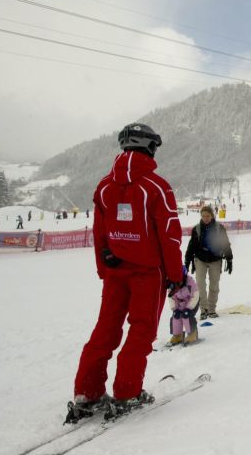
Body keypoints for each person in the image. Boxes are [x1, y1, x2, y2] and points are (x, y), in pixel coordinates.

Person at [66, 123, 183, 423]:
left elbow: (100, 231)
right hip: (148, 272)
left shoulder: (105, 185)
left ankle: (87, 391)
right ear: (149, 147)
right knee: (141, 331)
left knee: (105, 329)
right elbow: (169, 235)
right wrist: (175, 275)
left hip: (116, 271)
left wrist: (104, 267)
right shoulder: (157, 186)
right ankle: (127, 391)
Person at [184, 206, 233, 320]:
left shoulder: (219, 228)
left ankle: (211, 309)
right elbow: (191, 246)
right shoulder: (196, 229)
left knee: (214, 286)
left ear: (212, 216)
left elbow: (225, 244)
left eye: (208, 216)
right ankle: (203, 310)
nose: (205, 218)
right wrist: (187, 261)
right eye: (203, 216)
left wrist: (229, 259)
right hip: (200, 259)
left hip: (215, 260)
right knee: (200, 285)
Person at [167, 270, 199, 346]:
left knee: (186, 315)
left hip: (192, 302)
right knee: (176, 315)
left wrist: (189, 308)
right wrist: (175, 308)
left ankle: (192, 333)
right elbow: (171, 297)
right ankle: (178, 335)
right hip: (180, 304)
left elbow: (195, 295)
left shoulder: (190, 283)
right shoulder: (172, 284)